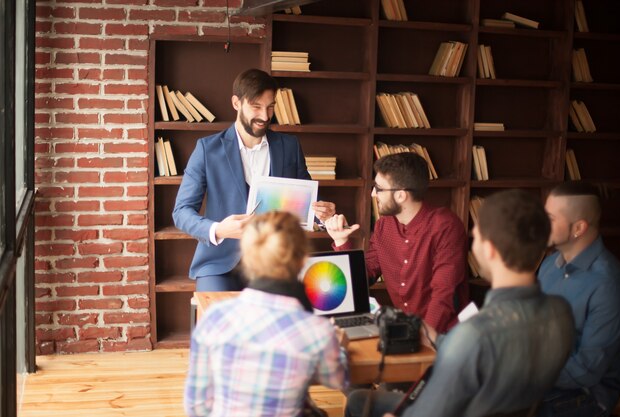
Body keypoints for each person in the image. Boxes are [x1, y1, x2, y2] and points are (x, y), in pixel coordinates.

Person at [344, 189, 575, 417]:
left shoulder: (474, 335)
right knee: (361, 399)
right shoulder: (561, 311)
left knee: (358, 402)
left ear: (489, 250)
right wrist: (438, 338)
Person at [173, 68, 335, 291]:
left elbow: (306, 199)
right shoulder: (207, 149)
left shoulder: (289, 146)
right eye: (256, 106)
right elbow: (181, 212)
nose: (265, 116)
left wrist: (323, 216)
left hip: (274, 263)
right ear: (236, 103)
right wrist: (219, 229)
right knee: (221, 321)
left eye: (270, 107)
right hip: (220, 265)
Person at [184, 211, 349, 417]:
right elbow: (338, 379)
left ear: (248, 258)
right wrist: (338, 344)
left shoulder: (213, 318)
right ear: (302, 259)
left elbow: (196, 407)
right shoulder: (318, 331)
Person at [325, 152, 468, 340]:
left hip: (445, 335)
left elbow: (443, 294)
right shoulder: (384, 225)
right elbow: (364, 275)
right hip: (406, 331)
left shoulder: (445, 226)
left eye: (379, 188)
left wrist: (423, 339)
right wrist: (341, 242)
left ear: (401, 195)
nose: (373, 193)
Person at [537, 181, 620, 417]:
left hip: (585, 394)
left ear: (578, 228)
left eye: (550, 218)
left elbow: (586, 371)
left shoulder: (608, 284)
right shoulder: (550, 265)